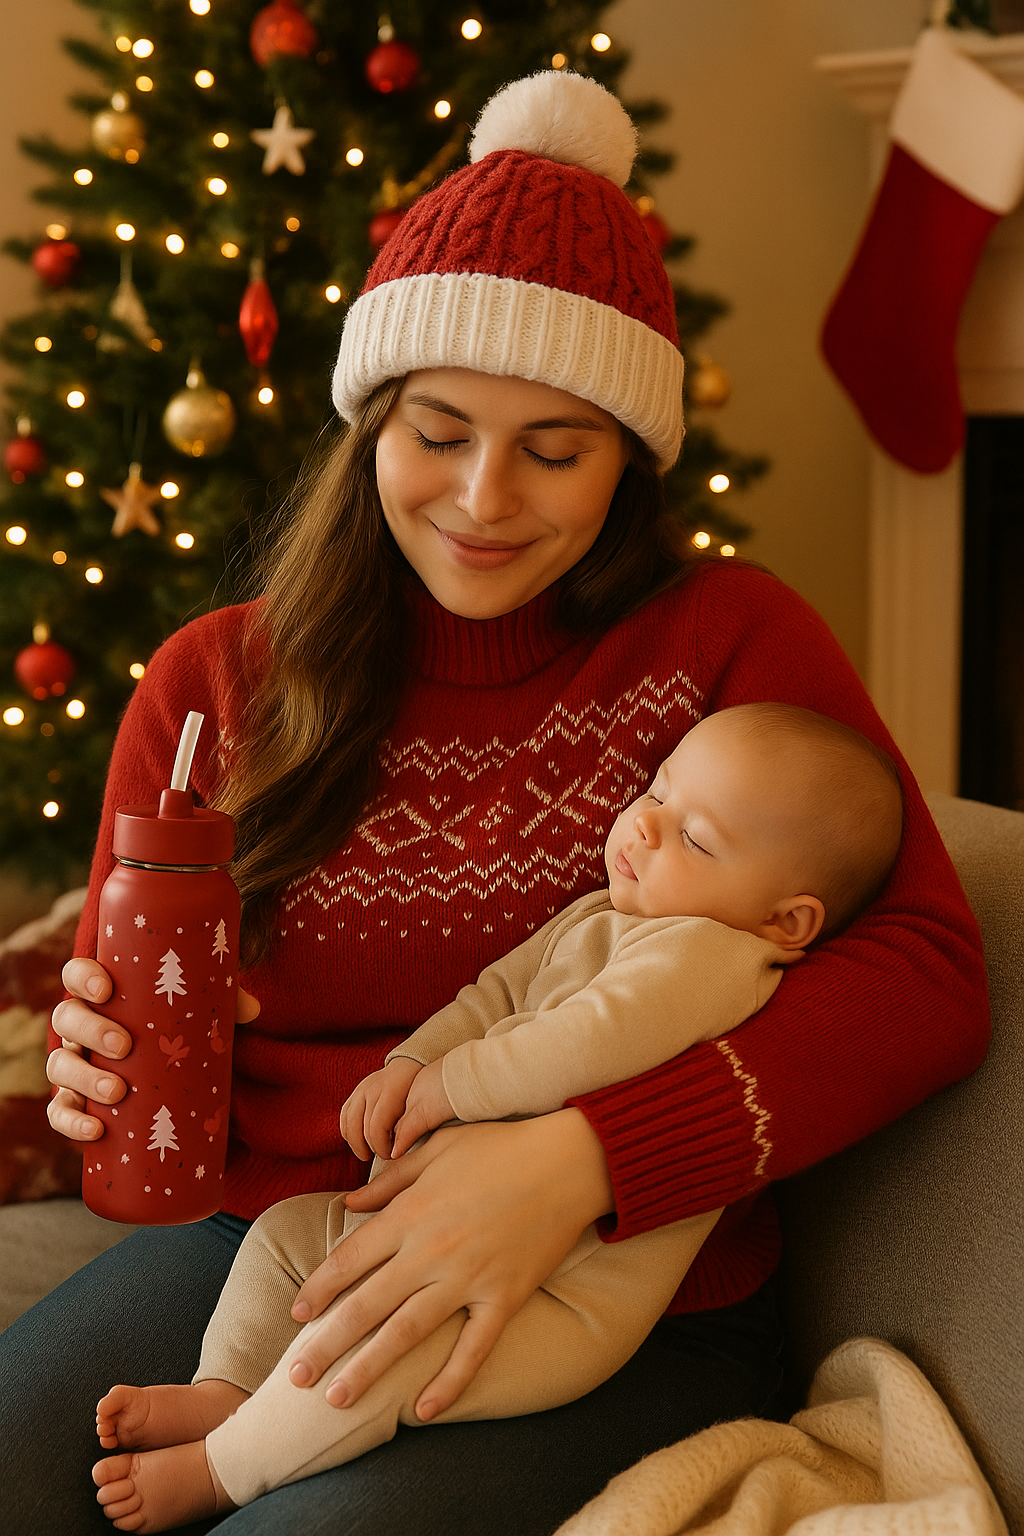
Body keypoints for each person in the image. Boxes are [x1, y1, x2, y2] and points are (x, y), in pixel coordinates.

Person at [0, 71, 988, 1536]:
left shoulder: (729, 648)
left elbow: (929, 978)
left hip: (620, 1293)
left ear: (633, 457)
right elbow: (159, 1107)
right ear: (370, 428)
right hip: (274, 1239)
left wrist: (581, 1158)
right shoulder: (217, 686)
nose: (483, 498)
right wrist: (107, 1075)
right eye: (439, 431)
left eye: (556, 448)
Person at [89, 702, 904, 1532]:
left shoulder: (714, 956)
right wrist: (412, 1063)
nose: (647, 828)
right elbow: (495, 996)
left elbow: (591, 1041)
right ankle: (227, 1392)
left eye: (697, 840)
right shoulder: (601, 918)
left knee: (369, 1364)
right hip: (419, 1227)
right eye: (657, 793)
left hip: (554, 1300)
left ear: (786, 919)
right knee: (285, 1239)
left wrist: (451, 1086)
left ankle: (224, 1472)